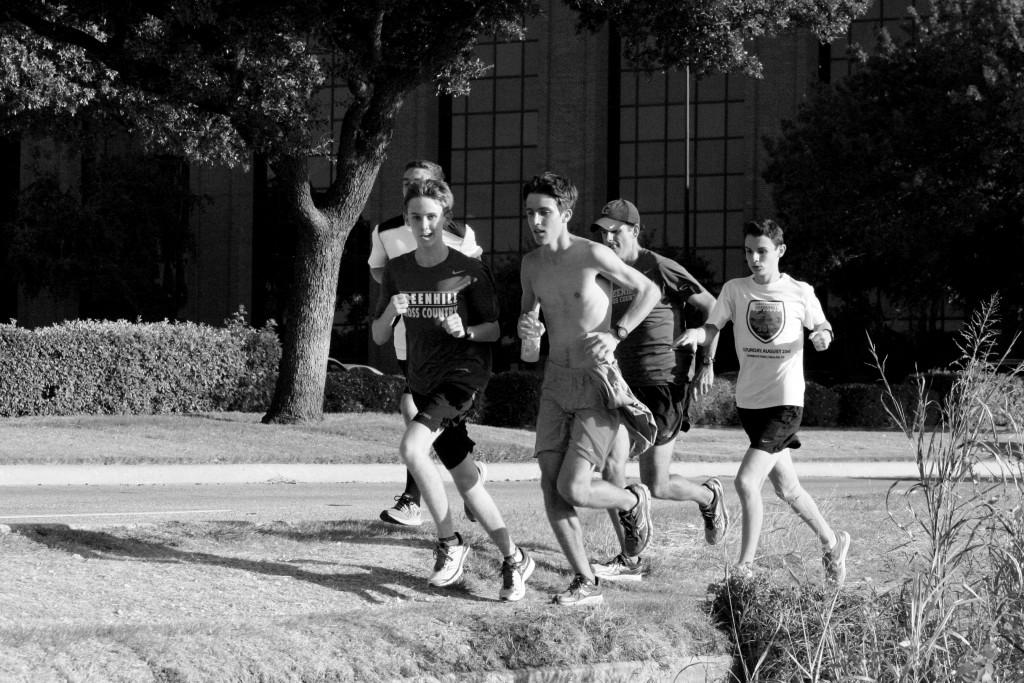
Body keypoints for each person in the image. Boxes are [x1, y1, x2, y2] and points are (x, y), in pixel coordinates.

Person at [371, 178, 534, 601]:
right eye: (415, 218)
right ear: (406, 221)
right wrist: (391, 309)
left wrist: (466, 329)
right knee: (466, 479)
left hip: (462, 377)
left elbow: (495, 330)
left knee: (412, 448)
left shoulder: (468, 270)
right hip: (423, 380)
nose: (423, 225)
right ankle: (515, 558)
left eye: (431, 217)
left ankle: (449, 543)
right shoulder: (399, 269)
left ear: (445, 218)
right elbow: (378, 336)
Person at [674, 219, 850, 584]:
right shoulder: (735, 290)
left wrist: (822, 338)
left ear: (780, 252)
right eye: (749, 251)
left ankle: (745, 568)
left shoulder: (800, 291)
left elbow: (823, 327)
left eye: (762, 252)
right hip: (750, 403)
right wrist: (697, 332)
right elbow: (714, 326)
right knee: (787, 488)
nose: (754, 259)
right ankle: (832, 544)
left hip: (785, 402)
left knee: (745, 482)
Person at [518, 172, 662, 606]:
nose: (536, 221)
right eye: (530, 213)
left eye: (544, 212)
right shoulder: (531, 265)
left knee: (576, 488)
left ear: (565, 213)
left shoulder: (592, 253)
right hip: (555, 384)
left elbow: (648, 289)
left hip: (597, 383)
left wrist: (617, 333)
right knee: (549, 485)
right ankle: (585, 582)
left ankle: (631, 501)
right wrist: (530, 336)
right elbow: (528, 347)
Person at [587, 199, 729, 582]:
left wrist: (706, 362)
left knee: (657, 484)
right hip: (624, 383)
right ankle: (630, 558)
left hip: (664, 382)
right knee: (611, 465)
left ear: (634, 230)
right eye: (603, 231)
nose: (608, 237)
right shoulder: (608, 270)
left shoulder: (659, 266)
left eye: (616, 230)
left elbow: (713, 307)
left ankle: (709, 496)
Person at [368, 160, 485, 527]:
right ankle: (471, 478)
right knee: (438, 423)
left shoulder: (460, 232)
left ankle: (413, 502)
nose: (410, 188)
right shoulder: (386, 230)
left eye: (419, 182)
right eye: (405, 183)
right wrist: (402, 287)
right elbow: (379, 269)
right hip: (409, 338)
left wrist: (458, 318)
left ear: (440, 190)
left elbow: (473, 281)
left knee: (414, 411)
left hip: (452, 346)